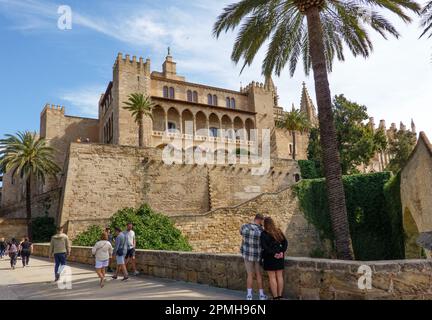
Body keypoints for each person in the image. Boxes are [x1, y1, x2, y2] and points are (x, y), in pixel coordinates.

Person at [240, 213, 267, 300]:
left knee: (250, 275)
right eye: (262, 221)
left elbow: (241, 233)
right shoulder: (261, 231)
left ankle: (249, 296)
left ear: (254, 218)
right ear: (260, 220)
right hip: (258, 255)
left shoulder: (244, 226)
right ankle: (261, 295)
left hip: (247, 255)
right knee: (259, 275)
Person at [260, 217, 288, 300]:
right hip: (279, 257)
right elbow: (285, 243)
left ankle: (275, 297)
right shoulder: (278, 231)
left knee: (272, 277)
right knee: (279, 276)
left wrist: (274, 254)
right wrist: (281, 252)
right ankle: (280, 296)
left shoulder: (264, 234)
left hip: (269, 257)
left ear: (265, 224)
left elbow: (264, 247)